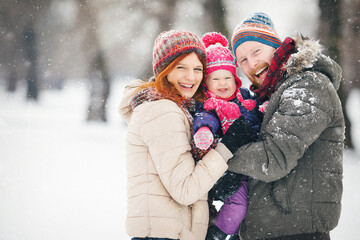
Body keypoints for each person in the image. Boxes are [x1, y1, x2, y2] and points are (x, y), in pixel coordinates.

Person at [214, 12, 344, 240]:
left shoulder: (308, 85)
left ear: (275, 46)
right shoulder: (268, 97)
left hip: (297, 232)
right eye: (242, 59)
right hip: (270, 228)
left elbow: (273, 159)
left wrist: (219, 154)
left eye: (256, 51)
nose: (251, 63)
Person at [118, 30, 253, 240]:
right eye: (181, 67)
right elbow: (185, 190)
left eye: (198, 69)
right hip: (163, 235)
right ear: (164, 70)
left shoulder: (178, 108)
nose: (191, 77)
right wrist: (227, 147)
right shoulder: (163, 111)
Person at [190, 32, 264, 240]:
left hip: (248, 165)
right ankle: (216, 234)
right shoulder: (209, 104)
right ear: (206, 83)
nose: (222, 83)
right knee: (238, 205)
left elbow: (255, 117)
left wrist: (264, 110)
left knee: (247, 206)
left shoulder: (247, 100)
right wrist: (204, 131)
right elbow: (205, 118)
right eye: (215, 78)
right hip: (224, 167)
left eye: (227, 77)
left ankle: (227, 230)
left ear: (235, 79)